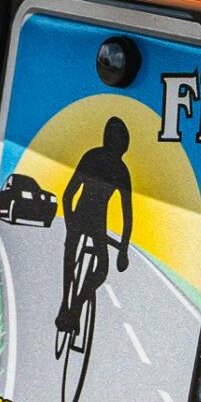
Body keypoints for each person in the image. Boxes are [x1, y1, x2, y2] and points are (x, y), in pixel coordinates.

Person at [57, 115, 135, 331]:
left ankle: (75, 307)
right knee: (74, 256)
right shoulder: (97, 160)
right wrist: (70, 224)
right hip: (84, 218)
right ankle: (66, 304)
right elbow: (68, 194)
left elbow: (128, 215)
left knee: (101, 268)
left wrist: (124, 250)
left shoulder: (118, 169)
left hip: (95, 222)